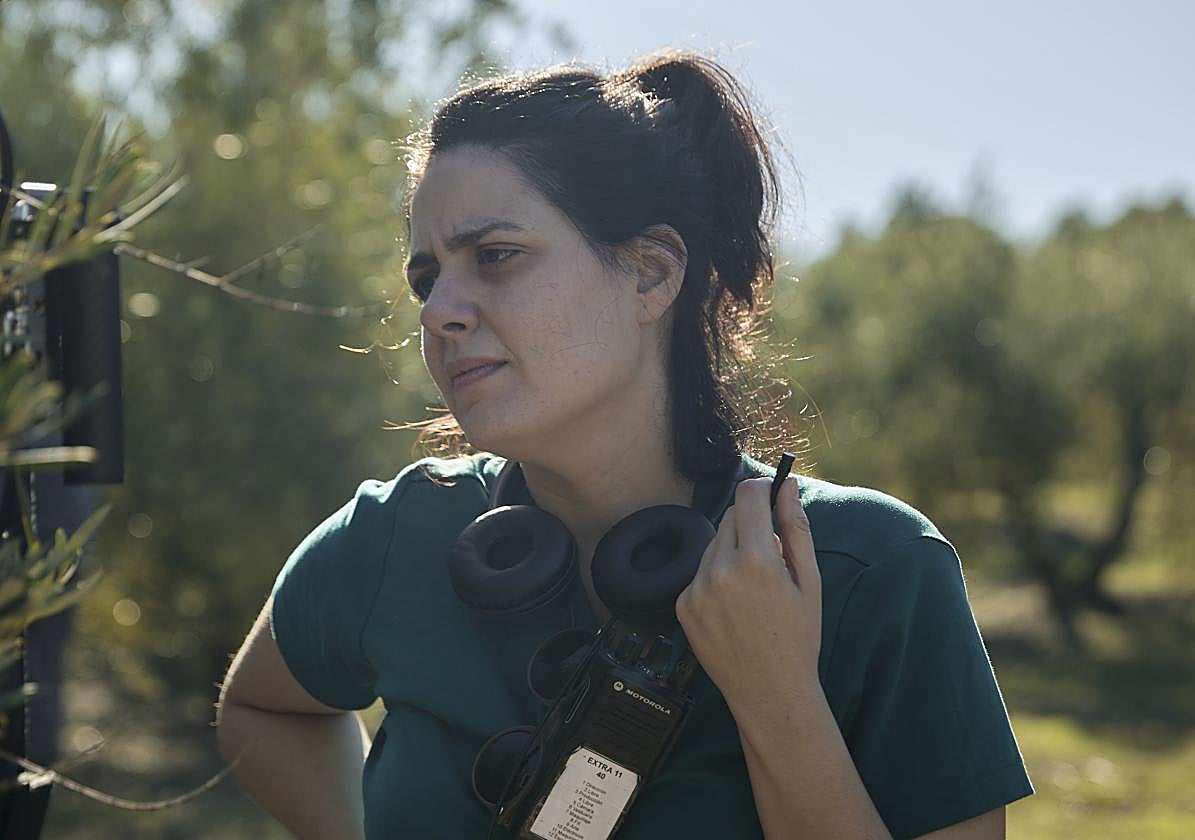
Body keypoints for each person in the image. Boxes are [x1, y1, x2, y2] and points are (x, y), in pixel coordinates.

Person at [215, 49, 1033, 839]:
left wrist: (775, 692)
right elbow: (260, 705)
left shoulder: (871, 569)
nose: (438, 312)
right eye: (428, 278)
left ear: (649, 274)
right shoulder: (393, 536)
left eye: (494, 257)